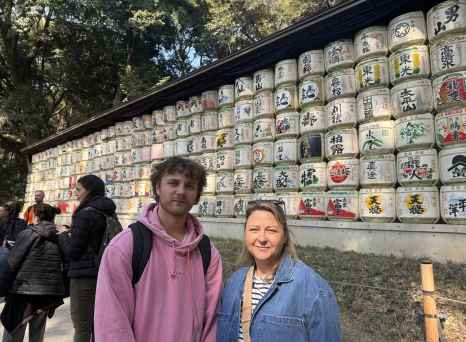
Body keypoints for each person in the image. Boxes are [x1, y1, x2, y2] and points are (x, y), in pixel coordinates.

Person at [94, 156, 223, 342]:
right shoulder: (125, 247)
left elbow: (212, 319)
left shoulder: (208, 253)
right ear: (157, 188)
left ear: (197, 196)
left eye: (189, 186)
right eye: (173, 183)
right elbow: (112, 323)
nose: (180, 191)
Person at [217, 200, 341, 342]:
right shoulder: (234, 282)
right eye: (254, 229)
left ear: (284, 236)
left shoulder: (313, 289)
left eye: (271, 230)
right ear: (245, 234)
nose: (262, 238)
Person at [58, 175, 116, 342]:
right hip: (104, 274)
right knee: (98, 325)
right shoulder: (108, 211)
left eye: (78, 189)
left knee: (82, 327)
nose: (76, 193)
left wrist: (63, 236)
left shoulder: (84, 214)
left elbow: (74, 252)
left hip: (84, 277)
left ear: (89, 191)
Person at [1, 203, 66, 342]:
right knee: (37, 335)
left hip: (22, 293)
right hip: (47, 295)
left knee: (13, 331)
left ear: (35, 216)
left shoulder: (27, 234)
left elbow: (12, 262)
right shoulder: (60, 237)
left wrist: (3, 287)